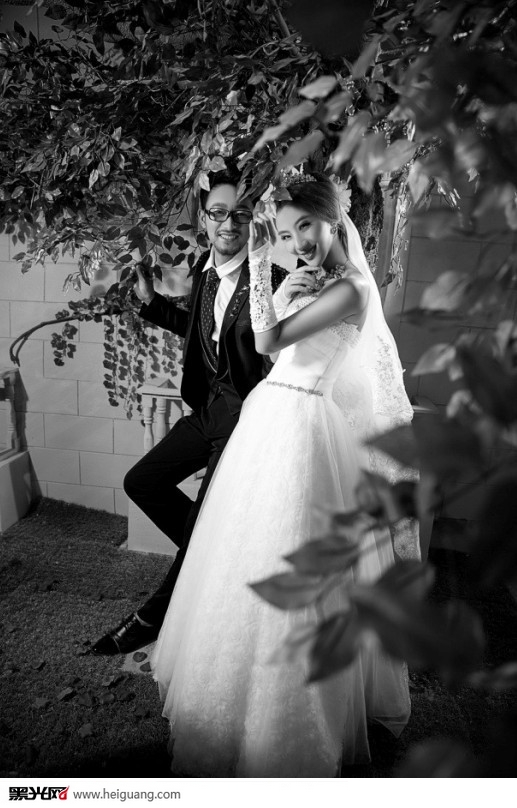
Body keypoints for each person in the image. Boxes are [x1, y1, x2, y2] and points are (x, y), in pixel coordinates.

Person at [151, 171, 420, 777]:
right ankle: (231, 685)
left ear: (334, 220)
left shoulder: (352, 289)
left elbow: (268, 340)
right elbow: (274, 345)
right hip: (270, 416)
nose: (298, 242)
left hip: (301, 426)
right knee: (245, 552)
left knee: (291, 558)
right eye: (289, 232)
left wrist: (257, 265)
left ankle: (288, 717)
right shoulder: (313, 280)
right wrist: (286, 288)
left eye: (307, 227)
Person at [91, 166, 313, 655]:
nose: (229, 224)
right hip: (208, 409)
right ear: (204, 220)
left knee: (198, 527)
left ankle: (149, 619)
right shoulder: (204, 271)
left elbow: (283, 352)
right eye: (219, 213)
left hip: (247, 420)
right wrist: (151, 303)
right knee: (142, 482)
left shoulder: (273, 279)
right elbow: (199, 327)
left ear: (254, 220)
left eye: (241, 214)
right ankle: (215, 557)